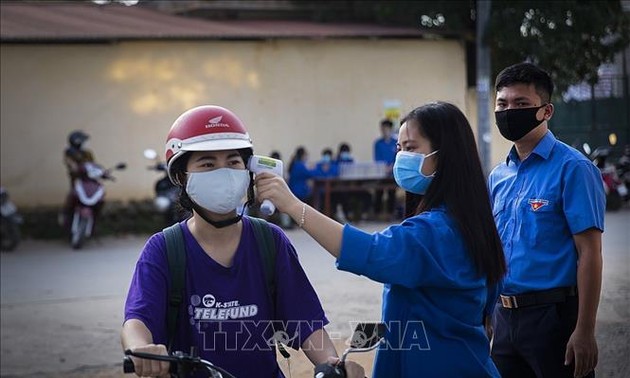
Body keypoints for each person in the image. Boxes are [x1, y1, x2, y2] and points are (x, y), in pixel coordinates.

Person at [256, 101, 507, 377]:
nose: (401, 157)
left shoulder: (433, 232)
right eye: (399, 149)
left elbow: (370, 252)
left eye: (411, 148)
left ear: (445, 155)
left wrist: (294, 206)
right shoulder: (472, 222)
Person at [121, 105, 364, 378]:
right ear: (180, 176)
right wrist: (140, 348)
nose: (223, 172)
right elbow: (137, 321)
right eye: (208, 163)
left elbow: (306, 323)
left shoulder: (270, 241)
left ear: (248, 170)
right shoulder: (163, 249)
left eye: (233, 162)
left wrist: (332, 363)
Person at [488, 62, 605, 378]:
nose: (509, 111)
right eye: (503, 104)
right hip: (503, 317)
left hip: (553, 318)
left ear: (546, 111)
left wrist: (584, 330)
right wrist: (487, 315)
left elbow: (590, 253)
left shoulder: (574, 169)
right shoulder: (498, 177)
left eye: (521, 104)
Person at [60, 130, 97, 227]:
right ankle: (65, 216)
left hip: (89, 179)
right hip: (77, 180)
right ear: (77, 142)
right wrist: (75, 168)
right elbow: (70, 163)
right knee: (73, 196)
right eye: (83, 141)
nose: (85, 143)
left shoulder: (87, 153)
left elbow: (93, 164)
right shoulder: (69, 152)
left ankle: (92, 222)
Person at [373, 118, 398, 220]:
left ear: (391, 129)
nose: (384, 130)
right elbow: (376, 158)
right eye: (382, 129)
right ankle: (377, 214)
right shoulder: (378, 143)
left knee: (392, 192)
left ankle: (391, 214)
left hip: (393, 172)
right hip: (381, 172)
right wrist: (384, 167)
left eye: (386, 128)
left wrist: (392, 166)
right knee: (379, 191)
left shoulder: (395, 142)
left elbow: (398, 155)